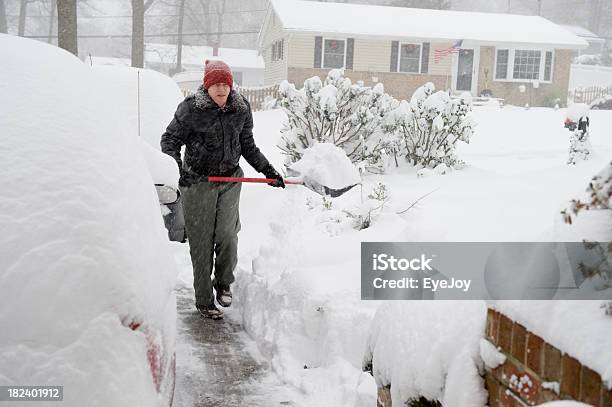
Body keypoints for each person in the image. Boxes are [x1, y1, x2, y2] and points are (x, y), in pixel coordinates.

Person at [161, 59, 285, 320]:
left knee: (228, 235)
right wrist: (178, 170)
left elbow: (248, 146)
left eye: (225, 84)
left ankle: (224, 284)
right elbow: (169, 139)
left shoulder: (240, 109)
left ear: (231, 86)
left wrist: (269, 171)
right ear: (207, 87)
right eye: (215, 84)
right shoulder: (191, 109)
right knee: (202, 241)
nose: (221, 89)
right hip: (198, 183)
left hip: (230, 181)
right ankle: (204, 299)